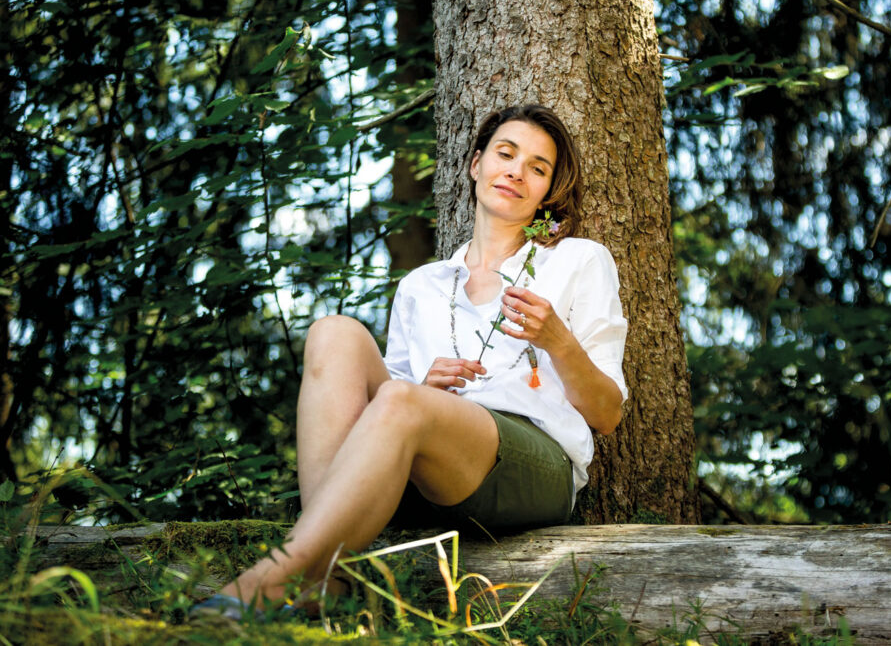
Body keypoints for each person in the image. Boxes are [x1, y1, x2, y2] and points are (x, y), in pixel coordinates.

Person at [191, 103, 628, 619]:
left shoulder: (578, 260)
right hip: (428, 469)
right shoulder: (421, 286)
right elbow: (383, 411)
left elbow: (607, 414)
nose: (516, 171)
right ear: (474, 163)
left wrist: (558, 341)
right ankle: (324, 576)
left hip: (533, 465)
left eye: (537, 167)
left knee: (403, 400)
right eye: (505, 154)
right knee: (336, 333)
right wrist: (425, 389)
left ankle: (273, 577)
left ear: (548, 190)